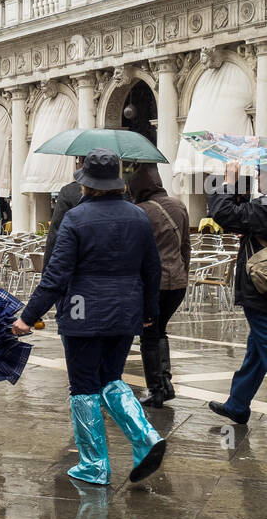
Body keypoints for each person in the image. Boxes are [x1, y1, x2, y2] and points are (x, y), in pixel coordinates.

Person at [11, 148, 165, 485]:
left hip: (83, 314)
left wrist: (28, 316)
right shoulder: (139, 217)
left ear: (86, 184)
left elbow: (56, 276)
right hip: (125, 312)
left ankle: (94, 465)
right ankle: (145, 438)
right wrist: (149, 313)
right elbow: (153, 270)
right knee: (111, 378)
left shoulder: (75, 219)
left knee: (83, 387)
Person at [205, 160, 267, 425]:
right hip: (261, 289)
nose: (258, 177)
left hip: (261, 290)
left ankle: (238, 404)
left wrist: (229, 180)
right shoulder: (261, 208)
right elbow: (240, 214)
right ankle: (238, 404)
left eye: (261, 173)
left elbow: (223, 213)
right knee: (256, 350)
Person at [126, 163, 190, 407]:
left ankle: (157, 390)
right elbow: (186, 246)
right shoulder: (179, 206)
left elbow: (135, 252)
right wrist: (184, 272)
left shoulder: (140, 211)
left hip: (154, 284)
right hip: (178, 282)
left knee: (149, 335)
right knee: (159, 330)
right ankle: (165, 382)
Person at [43, 162, 85, 266]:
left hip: (82, 272)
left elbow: (55, 236)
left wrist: (47, 276)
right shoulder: (131, 211)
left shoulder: (69, 193)